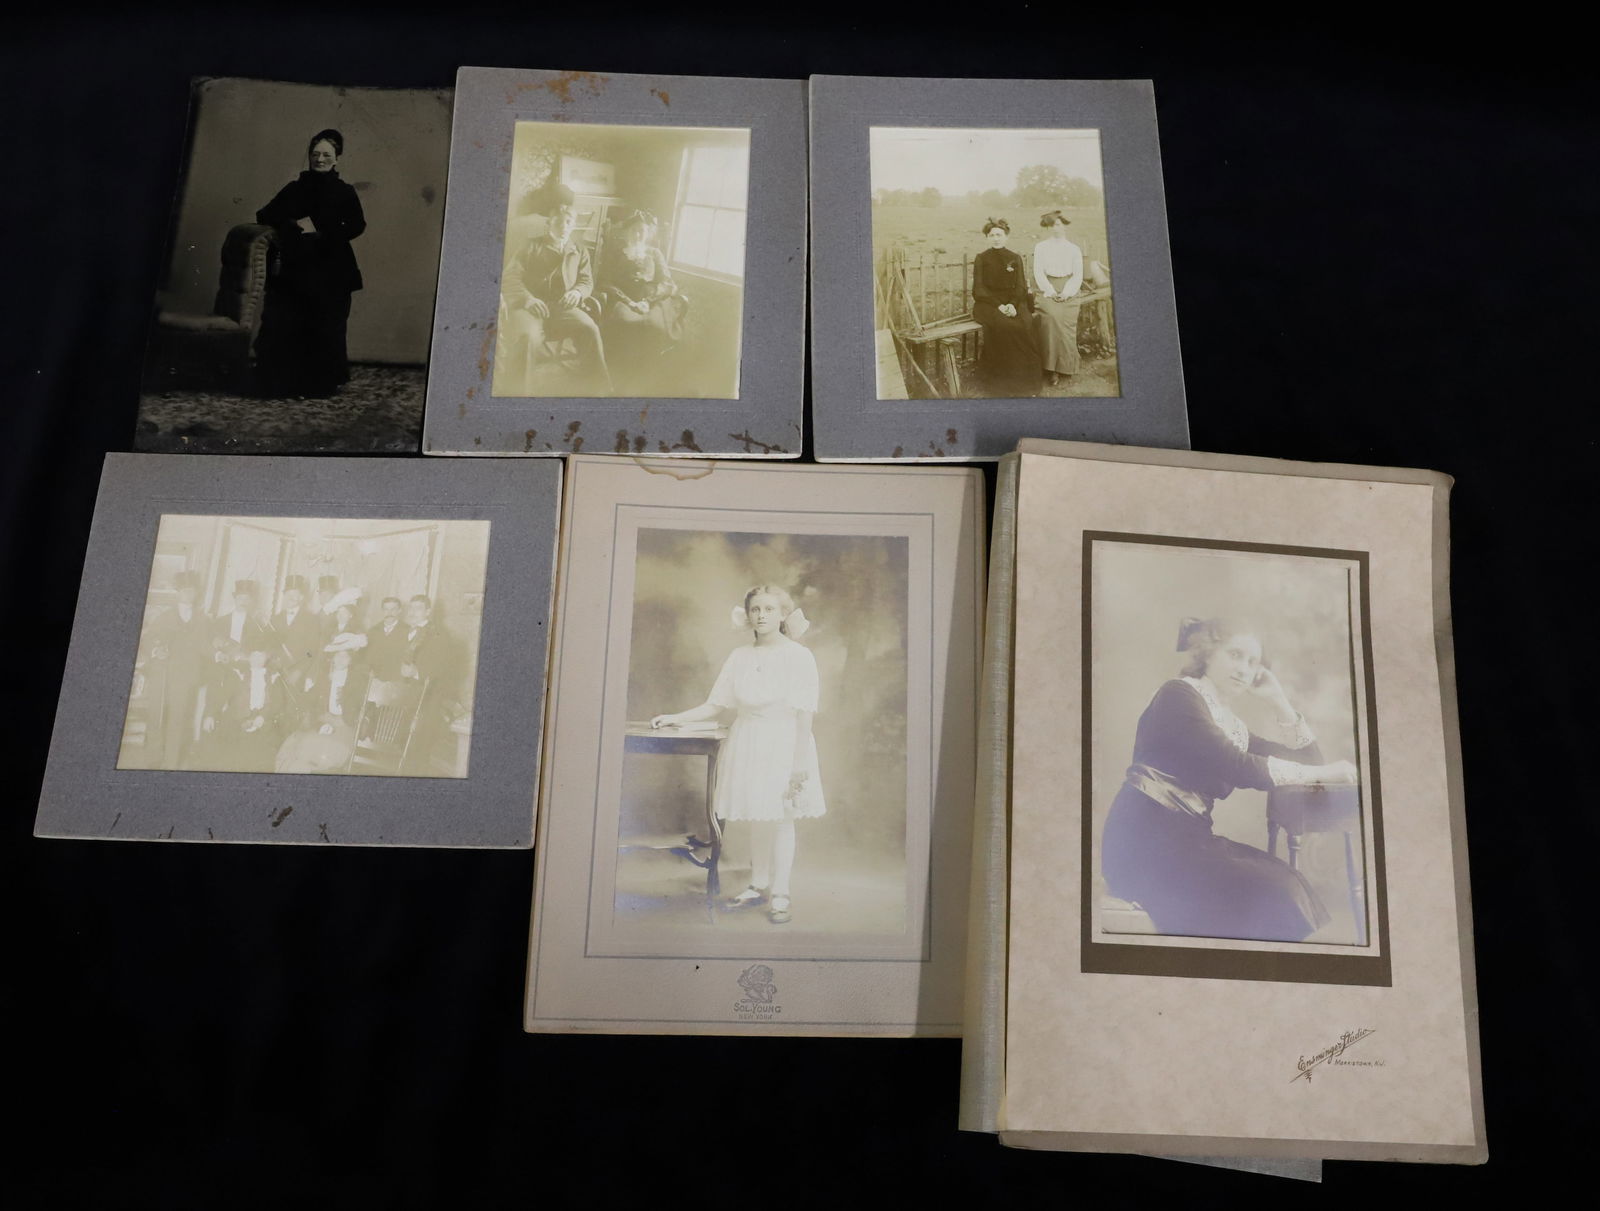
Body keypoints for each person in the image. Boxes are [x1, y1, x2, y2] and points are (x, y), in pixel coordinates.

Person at [1100, 617, 1359, 943]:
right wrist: (1324, 774)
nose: (1244, 669)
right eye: (1235, 655)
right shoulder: (1178, 695)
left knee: (1287, 881)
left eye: (1252, 662)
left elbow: (1311, 762)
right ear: (1208, 653)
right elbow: (1238, 765)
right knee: (1273, 891)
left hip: (1189, 839)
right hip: (1142, 841)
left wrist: (1279, 701)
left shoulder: (1230, 725)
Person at [650, 585, 825, 925]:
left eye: (769, 609)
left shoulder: (799, 656)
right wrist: (674, 717)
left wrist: (799, 763)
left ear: (783, 614)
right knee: (759, 815)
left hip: (785, 742)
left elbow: (805, 714)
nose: (761, 615)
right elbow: (715, 705)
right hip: (748, 741)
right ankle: (758, 884)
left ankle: (781, 892)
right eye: (755, 609)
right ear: (748, 615)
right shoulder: (740, 656)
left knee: (782, 818)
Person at [253, 128, 366, 398]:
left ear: (337, 158)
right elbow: (264, 215)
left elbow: (357, 225)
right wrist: (290, 224)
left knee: (326, 324)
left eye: (326, 154)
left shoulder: (345, 192)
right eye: (315, 154)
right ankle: (283, 384)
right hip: (296, 267)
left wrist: (326, 233)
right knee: (288, 322)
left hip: (331, 268)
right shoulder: (294, 189)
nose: (320, 159)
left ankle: (319, 384)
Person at [502, 180, 612, 395]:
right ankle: (517, 393)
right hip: (531, 307)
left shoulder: (579, 250)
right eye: (559, 222)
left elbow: (586, 280)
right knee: (527, 337)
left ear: (574, 225)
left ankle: (598, 389)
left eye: (569, 222)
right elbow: (510, 278)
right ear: (549, 223)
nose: (564, 227)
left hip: (563, 308)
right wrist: (527, 299)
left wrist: (577, 292)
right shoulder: (530, 246)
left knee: (590, 328)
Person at [598, 209, 688, 392]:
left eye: (642, 231)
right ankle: (620, 376)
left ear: (648, 234)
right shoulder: (616, 252)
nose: (638, 234)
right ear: (627, 232)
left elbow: (667, 282)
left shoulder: (655, 253)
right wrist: (629, 302)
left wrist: (648, 300)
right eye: (634, 230)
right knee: (626, 323)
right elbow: (604, 281)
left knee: (655, 326)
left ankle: (645, 377)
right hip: (622, 300)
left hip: (652, 301)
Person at [139, 569, 212, 769]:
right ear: (178, 592)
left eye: (192, 591)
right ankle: (153, 760)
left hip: (185, 677)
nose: (188, 594)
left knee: (178, 720)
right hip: (162, 674)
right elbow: (148, 640)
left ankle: (171, 763)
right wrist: (156, 651)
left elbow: (205, 645)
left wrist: (217, 654)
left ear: (196, 593)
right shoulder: (165, 616)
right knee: (157, 716)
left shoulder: (202, 619)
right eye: (185, 590)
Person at [970, 218, 1042, 398]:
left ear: (1006, 237)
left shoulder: (1014, 258)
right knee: (1005, 326)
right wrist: (999, 306)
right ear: (987, 237)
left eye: (999, 235)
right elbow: (978, 289)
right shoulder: (981, 258)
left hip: (1014, 302)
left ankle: (1025, 382)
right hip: (988, 304)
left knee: (1024, 325)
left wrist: (1012, 304)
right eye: (992, 235)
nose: (996, 239)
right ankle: (1001, 383)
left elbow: (1021, 286)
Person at [203, 647, 285, 773]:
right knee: (235, 761)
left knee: (262, 762)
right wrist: (210, 715)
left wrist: (263, 717)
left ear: (266, 657)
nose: (257, 659)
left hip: (263, 725)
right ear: (249, 657)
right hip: (239, 725)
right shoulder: (238, 675)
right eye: (254, 655)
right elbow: (222, 696)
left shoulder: (274, 677)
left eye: (261, 655)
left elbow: (277, 703)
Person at [1031, 209, 1085, 387]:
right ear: (1047, 227)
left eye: (1059, 225)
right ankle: (1051, 368)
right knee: (1052, 318)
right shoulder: (1041, 247)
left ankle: (1066, 366)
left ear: (1064, 226)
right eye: (1052, 225)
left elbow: (1077, 275)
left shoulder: (1073, 249)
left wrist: (1066, 293)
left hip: (1069, 288)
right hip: (1047, 289)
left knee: (1065, 322)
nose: (1056, 228)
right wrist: (1051, 291)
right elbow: (1039, 272)